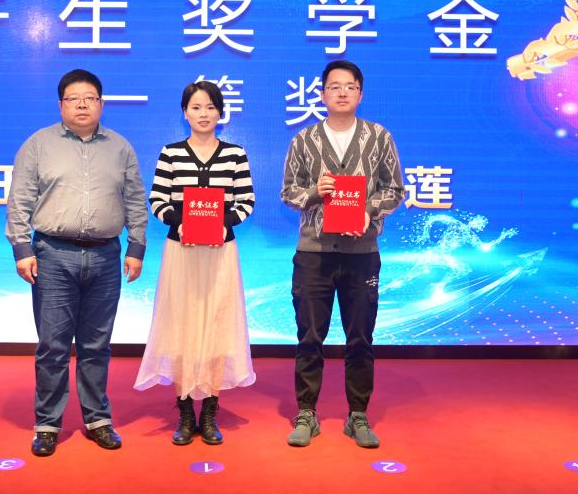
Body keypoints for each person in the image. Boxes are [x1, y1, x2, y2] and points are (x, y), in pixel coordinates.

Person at [5, 69, 148, 458]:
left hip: (106, 256)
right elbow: (20, 199)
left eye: (90, 98)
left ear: (102, 103)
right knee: (52, 346)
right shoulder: (39, 144)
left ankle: (98, 419)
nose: (82, 104)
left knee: (96, 345)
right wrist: (22, 248)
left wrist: (136, 247)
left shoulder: (120, 147)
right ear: (61, 105)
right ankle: (47, 424)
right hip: (53, 255)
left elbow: (135, 200)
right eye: (74, 98)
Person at [280, 59, 405, 448]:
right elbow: (288, 191)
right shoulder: (304, 139)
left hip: (361, 253)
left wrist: (368, 211)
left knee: (360, 337)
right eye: (334, 87)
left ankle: (358, 414)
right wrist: (314, 192)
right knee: (309, 337)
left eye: (350, 86)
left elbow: (395, 189)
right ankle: (306, 412)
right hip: (313, 253)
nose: (342, 93)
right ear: (322, 94)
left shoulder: (379, 137)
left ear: (360, 94)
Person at [134, 80, 256, 445]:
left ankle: (211, 412)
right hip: (181, 252)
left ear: (221, 113)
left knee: (218, 325)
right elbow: (157, 200)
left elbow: (246, 202)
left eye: (210, 107)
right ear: (185, 113)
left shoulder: (235, 155)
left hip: (220, 253)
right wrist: (181, 222)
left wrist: (223, 225)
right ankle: (186, 411)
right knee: (181, 326)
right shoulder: (171, 153)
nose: (203, 114)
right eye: (196, 107)